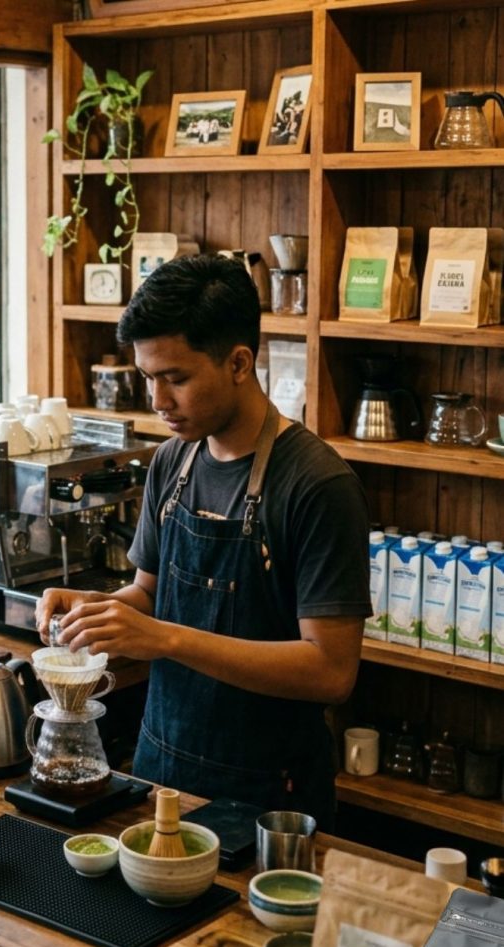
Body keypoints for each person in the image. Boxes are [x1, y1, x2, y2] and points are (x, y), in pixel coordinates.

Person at [36, 253, 372, 830]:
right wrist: (100, 611)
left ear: (239, 362)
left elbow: (331, 670)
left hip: (269, 795)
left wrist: (165, 638)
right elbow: (149, 593)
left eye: (176, 379)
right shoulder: (173, 461)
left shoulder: (318, 484)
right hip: (162, 763)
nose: (158, 401)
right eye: (148, 378)